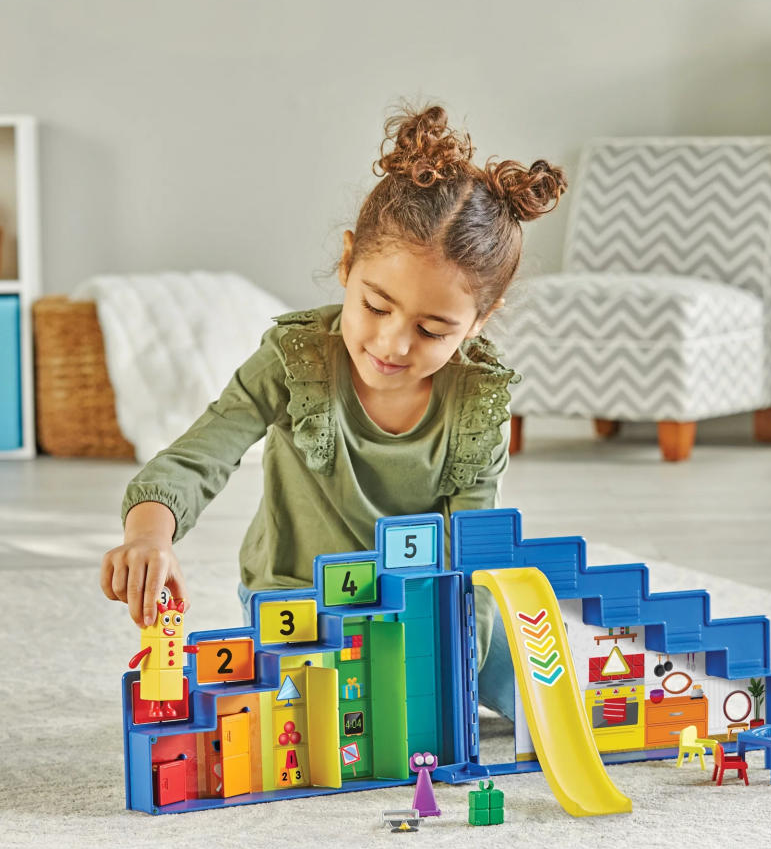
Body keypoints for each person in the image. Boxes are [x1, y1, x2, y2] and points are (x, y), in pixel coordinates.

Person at [99, 103, 567, 721]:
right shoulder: (295, 360)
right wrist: (147, 537)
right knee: (327, 724)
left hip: (422, 605)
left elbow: (472, 547)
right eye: (375, 306)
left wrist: (462, 654)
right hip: (298, 600)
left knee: (549, 689)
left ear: (480, 319)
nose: (393, 344)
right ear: (348, 263)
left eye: (431, 329)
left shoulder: (477, 400)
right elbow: (198, 456)